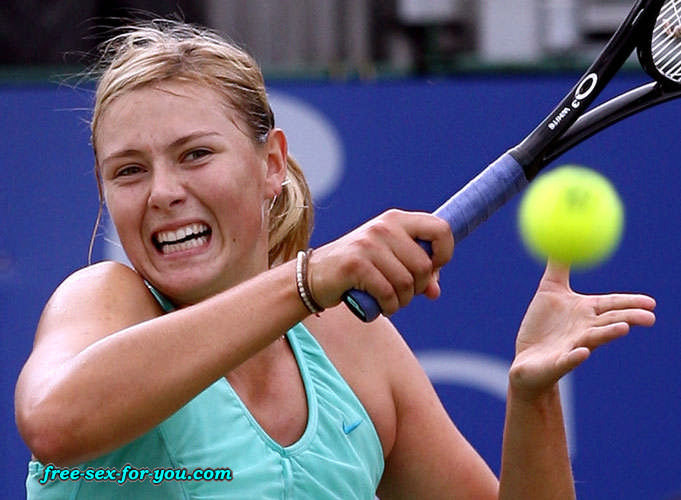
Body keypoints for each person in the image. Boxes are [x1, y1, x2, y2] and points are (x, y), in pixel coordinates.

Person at [15, 19, 656, 499]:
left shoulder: (352, 345)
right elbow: (55, 423)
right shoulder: (104, 301)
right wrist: (308, 278)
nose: (162, 192)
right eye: (128, 171)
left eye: (195, 155)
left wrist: (533, 393)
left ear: (270, 165)